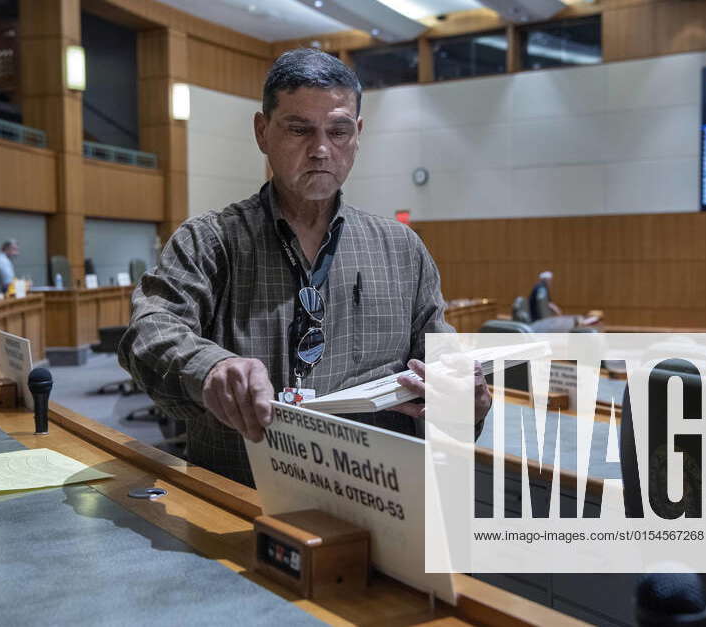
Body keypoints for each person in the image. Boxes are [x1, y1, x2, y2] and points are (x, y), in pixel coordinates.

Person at [118, 49, 489, 485]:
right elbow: (149, 331)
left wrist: (467, 402)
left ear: (358, 134)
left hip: (376, 503)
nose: (320, 150)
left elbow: (441, 369)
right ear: (262, 132)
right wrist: (210, 368)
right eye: (299, 129)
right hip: (240, 497)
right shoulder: (209, 240)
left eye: (338, 131)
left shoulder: (402, 249)